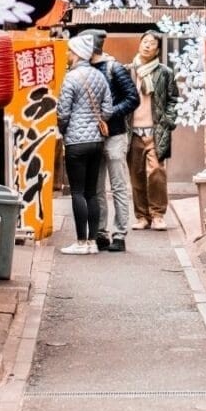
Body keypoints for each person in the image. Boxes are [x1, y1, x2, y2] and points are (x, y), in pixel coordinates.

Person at [56, 33, 113, 255]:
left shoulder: (71, 78)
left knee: (77, 192)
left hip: (77, 143)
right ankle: (91, 242)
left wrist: (63, 129)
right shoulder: (100, 77)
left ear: (77, 53)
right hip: (97, 142)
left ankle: (80, 242)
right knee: (92, 192)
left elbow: (63, 112)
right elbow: (107, 110)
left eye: (70, 51)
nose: (68, 54)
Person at [88, 30, 140, 253]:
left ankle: (120, 233)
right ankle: (101, 232)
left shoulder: (114, 68)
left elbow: (133, 98)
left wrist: (110, 113)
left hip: (116, 134)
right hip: (93, 135)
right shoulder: (83, 69)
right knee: (97, 186)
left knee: (118, 185)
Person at [128, 29, 179, 231]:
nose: (147, 45)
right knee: (137, 175)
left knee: (156, 172)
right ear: (140, 43)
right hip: (132, 131)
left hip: (156, 130)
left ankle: (158, 214)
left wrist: (168, 120)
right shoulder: (128, 71)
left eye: (152, 43)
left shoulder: (165, 72)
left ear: (158, 49)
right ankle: (142, 216)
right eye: (145, 41)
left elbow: (173, 99)